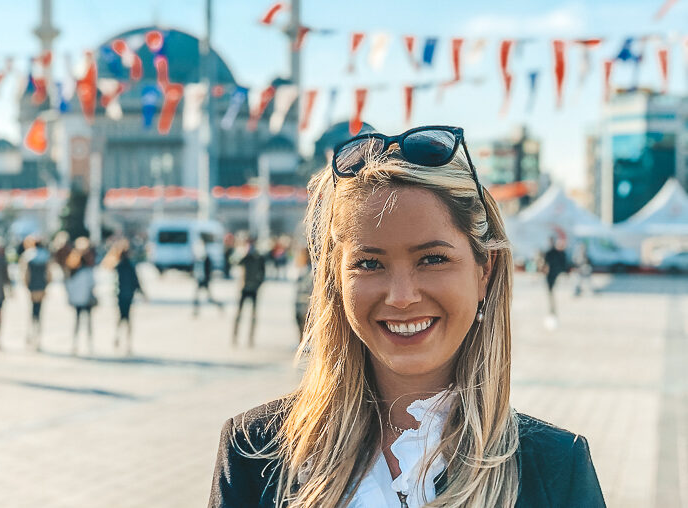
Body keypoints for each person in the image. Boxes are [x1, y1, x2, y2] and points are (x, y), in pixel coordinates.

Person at [210, 126, 605, 507]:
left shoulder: (556, 469)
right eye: (368, 263)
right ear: (334, 278)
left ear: (484, 270)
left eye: (432, 259)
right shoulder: (254, 454)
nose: (401, 297)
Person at [103, 239, 145, 354]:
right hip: (128, 295)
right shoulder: (129, 266)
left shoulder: (119, 265)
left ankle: (118, 338)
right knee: (127, 319)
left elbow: (107, 267)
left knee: (121, 318)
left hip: (121, 295)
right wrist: (143, 293)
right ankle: (127, 343)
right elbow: (136, 281)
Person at [231, 237, 265, 347]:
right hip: (243, 288)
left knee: (253, 315)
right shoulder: (244, 256)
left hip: (253, 288)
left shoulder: (258, 257)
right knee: (239, 314)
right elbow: (234, 262)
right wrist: (243, 253)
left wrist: (258, 284)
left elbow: (263, 273)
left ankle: (251, 338)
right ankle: (235, 337)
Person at [65, 237, 97, 355]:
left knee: (77, 321)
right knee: (88, 322)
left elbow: (69, 285)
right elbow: (93, 284)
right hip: (87, 299)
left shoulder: (73, 270)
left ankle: (75, 343)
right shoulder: (88, 270)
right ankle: (89, 344)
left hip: (77, 299)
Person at [19, 235, 52, 350]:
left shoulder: (28, 255)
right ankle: (38, 336)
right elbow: (49, 273)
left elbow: (25, 273)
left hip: (32, 287)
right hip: (41, 287)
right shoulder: (45, 255)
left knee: (32, 311)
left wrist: (26, 285)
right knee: (39, 311)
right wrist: (47, 285)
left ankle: (30, 335)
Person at [193, 239, 223, 316]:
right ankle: (196, 311)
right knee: (197, 297)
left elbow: (209, 270)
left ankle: (219, 305)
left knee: (209, 298)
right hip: (200, 279)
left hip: (205, 280)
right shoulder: (198, 258)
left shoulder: (206, 258)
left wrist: (207, 278)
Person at [542, 236, 568, 319]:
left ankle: (553, 309)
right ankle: (552, 308)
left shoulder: (552, 253)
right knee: (551, 293)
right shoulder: (553, 253)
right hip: (553, 275)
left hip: (554, 275)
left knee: (552, 293)